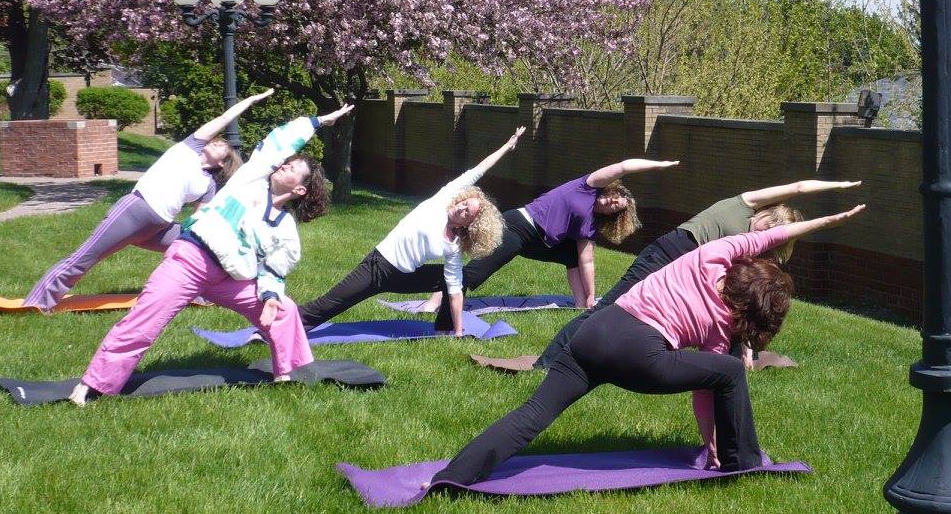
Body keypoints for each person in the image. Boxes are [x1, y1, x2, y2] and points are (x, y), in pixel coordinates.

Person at [429, 204, 866, 487]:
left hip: (593, 334)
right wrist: (712, 443)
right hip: (639, 355)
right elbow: (708, 390)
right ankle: (742, 462)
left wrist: (826, 219)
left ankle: (454, 475)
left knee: (533, 415)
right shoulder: (721, 329)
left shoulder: (710, 254)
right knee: (731, 372)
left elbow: (762, 238)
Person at [66, 102, 355, 406]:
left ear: (299, 191)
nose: (285, 165)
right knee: (144, 322)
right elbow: (279, 141)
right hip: (190, 260)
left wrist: (270, 297)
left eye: (293, 169)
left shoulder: (284, 227)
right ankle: (93, 383)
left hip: (229, 279)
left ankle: (290, 372)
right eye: (287, 163)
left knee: (284, 310)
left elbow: (275, 268)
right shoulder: (252, 178)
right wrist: (318, 120)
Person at [533, 179, 862, 369]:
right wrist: (840, 186)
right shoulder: (743, 204)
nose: (766, 229)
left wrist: (746, 348)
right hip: (665, 254)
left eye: (778, 232)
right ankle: (548, 361)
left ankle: (738, 364)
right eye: (771, 222)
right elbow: (799, 187)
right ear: (766, 211)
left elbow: (735, 301)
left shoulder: (750, 250)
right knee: (609, 309)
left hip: (681, 278)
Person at [21, 91, 279, 313]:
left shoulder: (208, 185)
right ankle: (38, 302)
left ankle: (202, 292)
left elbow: (198, 220)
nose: (218, 142)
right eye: (217, 140)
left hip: (159, 227)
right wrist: (251, 101)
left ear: (222, 163)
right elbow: (223, 120)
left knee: (202, 249)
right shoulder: (188, 147)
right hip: (134, 211)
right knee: (86, 256)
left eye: (224, 147)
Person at [296, 127, 525, 337]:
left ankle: (443, 329)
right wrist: (507, 146)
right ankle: (284, 325)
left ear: (470, 226)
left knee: (454, 280)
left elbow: (455, 291)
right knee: (330, 304)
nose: (462, 207)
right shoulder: (443, 199)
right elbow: (479, 170)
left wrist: (458, 331)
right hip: (378, 267)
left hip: (402, 277)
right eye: (465, 203)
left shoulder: (453, 244)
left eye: (467, 213)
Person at [424, 159, 681, 332]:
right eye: (614, 197)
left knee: (572, 253)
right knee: (477, 273)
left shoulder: (590, 225)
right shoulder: (588, 186)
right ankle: (437, 299)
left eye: (616, 207)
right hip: (520, 225)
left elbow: (586, 260)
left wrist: (593, 297)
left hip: (540, 240)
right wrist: (658, 165)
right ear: (609, 190)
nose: (612, 202)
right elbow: (624, 166)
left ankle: (582, 304)